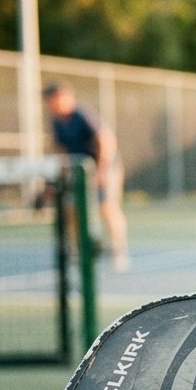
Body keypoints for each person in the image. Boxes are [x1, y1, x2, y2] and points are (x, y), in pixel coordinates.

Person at [43, 82, 130, 272]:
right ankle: (77, 252)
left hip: (105, 166)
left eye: (56, 100)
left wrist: (102, 171)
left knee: (106, 206)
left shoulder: (82, 115)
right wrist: (56, 179)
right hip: (80, 170)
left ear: (66, 97)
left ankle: (119, 251)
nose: (53, 105)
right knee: (71, 208)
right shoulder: (56, 122)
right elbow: (60, 151)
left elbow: (106, 140)